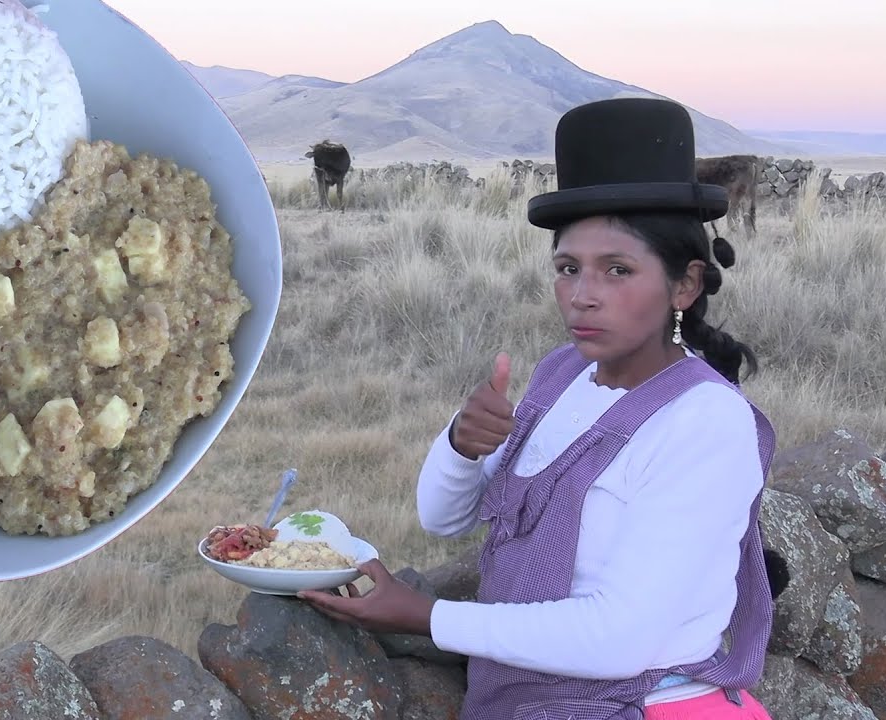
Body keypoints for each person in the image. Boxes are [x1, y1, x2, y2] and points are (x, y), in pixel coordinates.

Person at [298, 97, 788, 719]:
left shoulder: (706, 422)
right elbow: (441, 518)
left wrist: (424, 615)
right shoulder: (562, 374)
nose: (583, 297)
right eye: (567, 268)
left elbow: (622, 637)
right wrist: (459, 445)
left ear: (685, 284)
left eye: (617, 270)